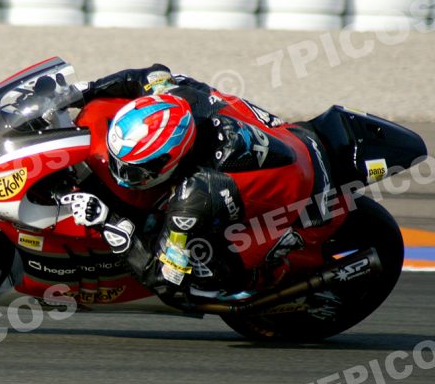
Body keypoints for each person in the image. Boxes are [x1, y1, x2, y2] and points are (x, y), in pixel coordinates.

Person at [59, 64, 290, 307]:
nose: (121, 174)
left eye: (133, 170)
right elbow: (148, 74)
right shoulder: (177, 96)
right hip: (284, 138)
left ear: (169, 160)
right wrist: (82, 91)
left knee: (200, 269)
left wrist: (108, 221)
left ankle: (243, 285)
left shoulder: (193, 197)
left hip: (273, 212)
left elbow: (164, 279)